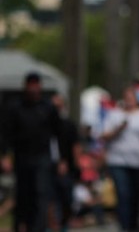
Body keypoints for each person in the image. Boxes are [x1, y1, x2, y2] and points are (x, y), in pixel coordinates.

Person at [0, 72, 62, 232]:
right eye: (31, 85)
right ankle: (21, 225)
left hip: (42, 157)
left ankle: (38, 227)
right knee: (23, 194)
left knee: (41, 193)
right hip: (22, 157)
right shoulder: (15, 107)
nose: (34, 88)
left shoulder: (48, 107)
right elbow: (5, 132)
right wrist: (5, 154)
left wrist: (62, 159)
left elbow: (59, 133)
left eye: (36, 85)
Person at [101, 86, 139, 232]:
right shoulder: (114, 114)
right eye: (127, 97)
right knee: (123, 194)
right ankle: (125, 226)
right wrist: (118, 129)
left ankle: (134, 224)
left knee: (136, 196)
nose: (129, 100)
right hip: (118, 161)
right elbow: (103, 136)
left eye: (132, 97)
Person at [50, 94, 80, 232]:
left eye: (58, 106)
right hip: (48, 166)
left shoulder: (68, 124)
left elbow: (75, 146)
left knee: (66, 198)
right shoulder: (45, 124)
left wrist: (75, 163)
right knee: (49, 198)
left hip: (67, 167)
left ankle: (64, 224)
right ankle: (51, 225)